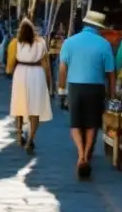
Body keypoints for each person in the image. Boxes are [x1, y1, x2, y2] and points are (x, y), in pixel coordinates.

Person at [58, 10, 115, 178]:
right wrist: (112, 94)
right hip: (96, 87)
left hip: (75, 86)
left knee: (75, 123)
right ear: (99, 27)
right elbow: (111, 73)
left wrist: (61, 89)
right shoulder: (104, 44)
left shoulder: (69, 42)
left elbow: (62, 68)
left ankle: (81, 154)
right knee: (92, 123)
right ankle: (86, 154)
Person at [7, 18, 53, 153]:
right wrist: (49, 83)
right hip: (36, 74)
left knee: (19, 104)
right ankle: (31, 138)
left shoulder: (16, 43)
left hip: (20, 73)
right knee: (35, 108)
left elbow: (11, 62)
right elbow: (45, 65)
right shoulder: (41, 43)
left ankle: (19, 134)